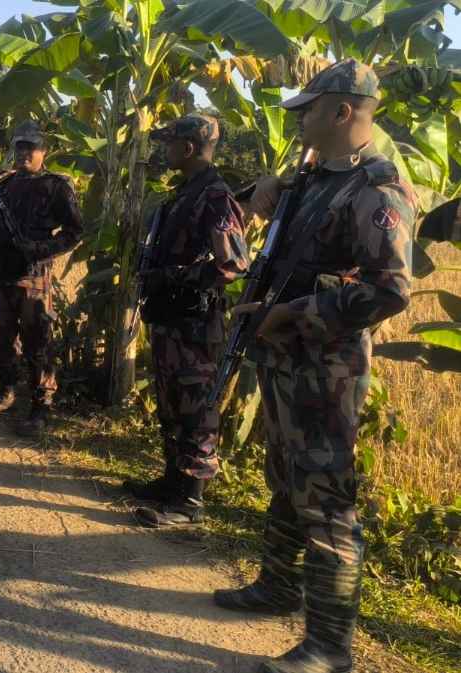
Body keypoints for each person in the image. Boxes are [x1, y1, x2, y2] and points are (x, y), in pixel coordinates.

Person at [213, 60, 415, 673]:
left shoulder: (377, 189)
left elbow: (389, 292)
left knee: (326, 502)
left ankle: (330, 647)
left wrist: (296, 312)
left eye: (308, 109)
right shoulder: (314, 178)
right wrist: (268, 185)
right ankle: (276, 588)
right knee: (285, 477)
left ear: (342, 111)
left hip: (326, 370)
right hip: (284, 358)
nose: (298, 119)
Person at [124, 115, 249, 528]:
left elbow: (233, 265)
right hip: (170, 319)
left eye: (170, 143)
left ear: (189, 148)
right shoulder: (183, 195)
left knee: (197, 410)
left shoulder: (214, 197)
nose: (165, 150)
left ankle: (191, 500)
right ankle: (172, 482)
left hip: (195, 324)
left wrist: (175, 276)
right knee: (172, 405)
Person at [0, 120, 84, 437]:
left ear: (44, 151)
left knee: (37, 343)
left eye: (30, 148)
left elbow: (74, 232)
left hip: (32, 278)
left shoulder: (56, 187)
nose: (23, 153)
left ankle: (41, 405)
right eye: (19, 147)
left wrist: (42, 248)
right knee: (0, 340)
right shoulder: (3, 185)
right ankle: (6, 392)